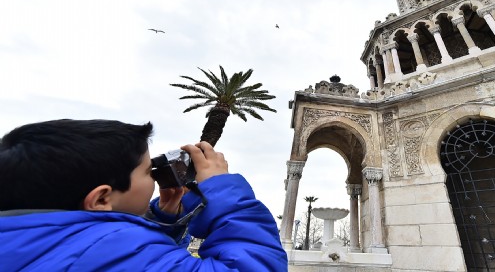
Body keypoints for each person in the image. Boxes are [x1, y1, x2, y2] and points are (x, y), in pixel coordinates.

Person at [0, 119, 288, 271]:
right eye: (149, 172)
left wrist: (162, 219)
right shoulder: (111, 248)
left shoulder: (24, 238)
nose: (156, 179)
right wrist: (224, 193)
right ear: (101, 199)